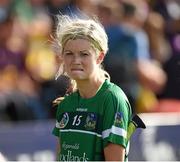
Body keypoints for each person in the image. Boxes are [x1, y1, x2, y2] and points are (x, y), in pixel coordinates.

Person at [52, 14, 132, 161]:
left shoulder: (112, 99)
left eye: (84, 54)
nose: (76, 61)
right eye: (69, 53)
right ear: (62, 56)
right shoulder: (66, 104)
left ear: (100, 57)